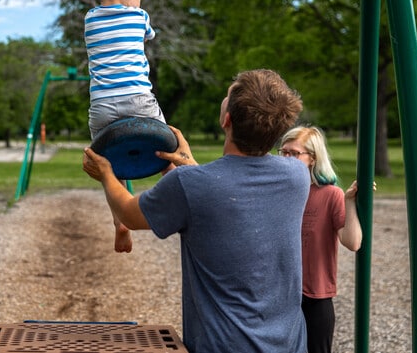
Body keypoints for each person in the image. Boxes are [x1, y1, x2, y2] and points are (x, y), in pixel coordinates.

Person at [83, 69, 309, 353]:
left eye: (228, 95)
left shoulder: (190, 185)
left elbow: (129, 213)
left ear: (227, 120)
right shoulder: (297, 176)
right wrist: (189, 164)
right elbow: (228, 192)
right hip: (288, 344)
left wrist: (106, 173)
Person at [84, 0, 167, 253]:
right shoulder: (139, 17)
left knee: (108, 165)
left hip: (102, 105)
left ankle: (120, 221)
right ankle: (180, 191)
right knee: (169, 147)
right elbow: (146, 37)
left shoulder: (90, 20)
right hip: (137, 98)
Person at [278, 126, 364, 353]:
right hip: (280, 295)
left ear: (313, 158)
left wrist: (349, 202)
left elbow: (353, 242)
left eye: (294, 153)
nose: (287, 158)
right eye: (283, 152)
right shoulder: (279, 192)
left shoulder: (329, 195)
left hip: (315, 297)